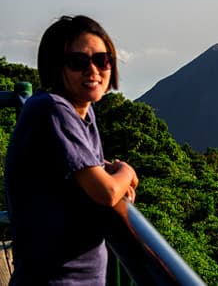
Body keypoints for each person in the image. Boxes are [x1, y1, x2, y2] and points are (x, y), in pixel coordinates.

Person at [4, 15, 138, 285]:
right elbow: (106, 192)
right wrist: (126, 172)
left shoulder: (81, 112)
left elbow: (88, 184)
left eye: (102, 60)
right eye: (78, 62)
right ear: (56, 66)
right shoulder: (53, 110)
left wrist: (112, 181)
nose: (93, 71)